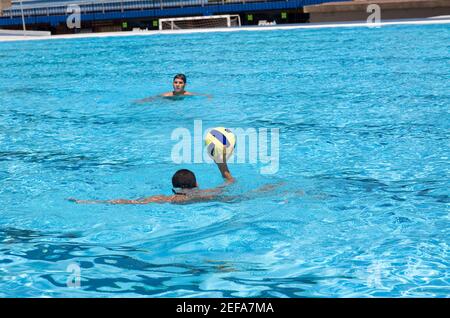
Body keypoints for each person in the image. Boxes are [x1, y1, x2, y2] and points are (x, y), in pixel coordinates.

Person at [70, 152, 234, 205]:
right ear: (196, 183)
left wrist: (90, 202)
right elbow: (229, 182)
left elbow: (127, 202)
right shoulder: (208, 194)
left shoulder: (168, 198)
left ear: (174, 186)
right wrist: (222, 166)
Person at [135, 74, 212, 103]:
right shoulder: (167, 95)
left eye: (180, 83)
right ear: (172, 84)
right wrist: (141, 101)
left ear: (185, 85)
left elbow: (206, 95)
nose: (177, 85)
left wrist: (209, 98)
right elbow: (152, 98)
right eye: (175, 82)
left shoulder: (188, 94)